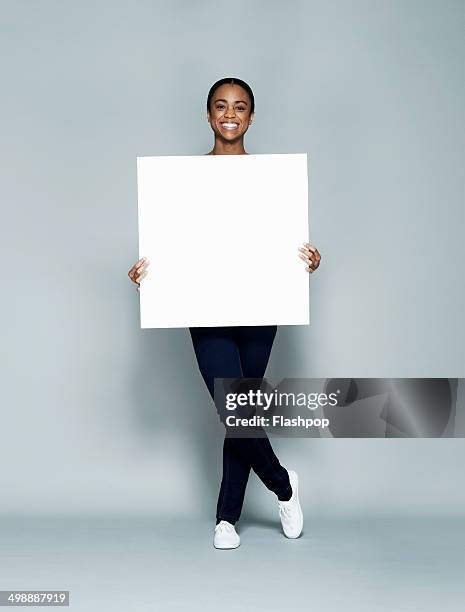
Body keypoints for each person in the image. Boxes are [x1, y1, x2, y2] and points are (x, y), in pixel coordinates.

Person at [128, 77, 321, 549]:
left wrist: (309, 260)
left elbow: (284, 242)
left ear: (251, 117)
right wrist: (147, 272)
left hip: (261, 306)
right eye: (221, 105)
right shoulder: (182, 182)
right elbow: (171, 243)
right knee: (234, 410)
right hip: (206, 306)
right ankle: (283, 485)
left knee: (244, 411)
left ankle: (226, 519)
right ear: (209, 115)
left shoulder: (274, 181)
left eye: (240, 107)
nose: (230, 113)